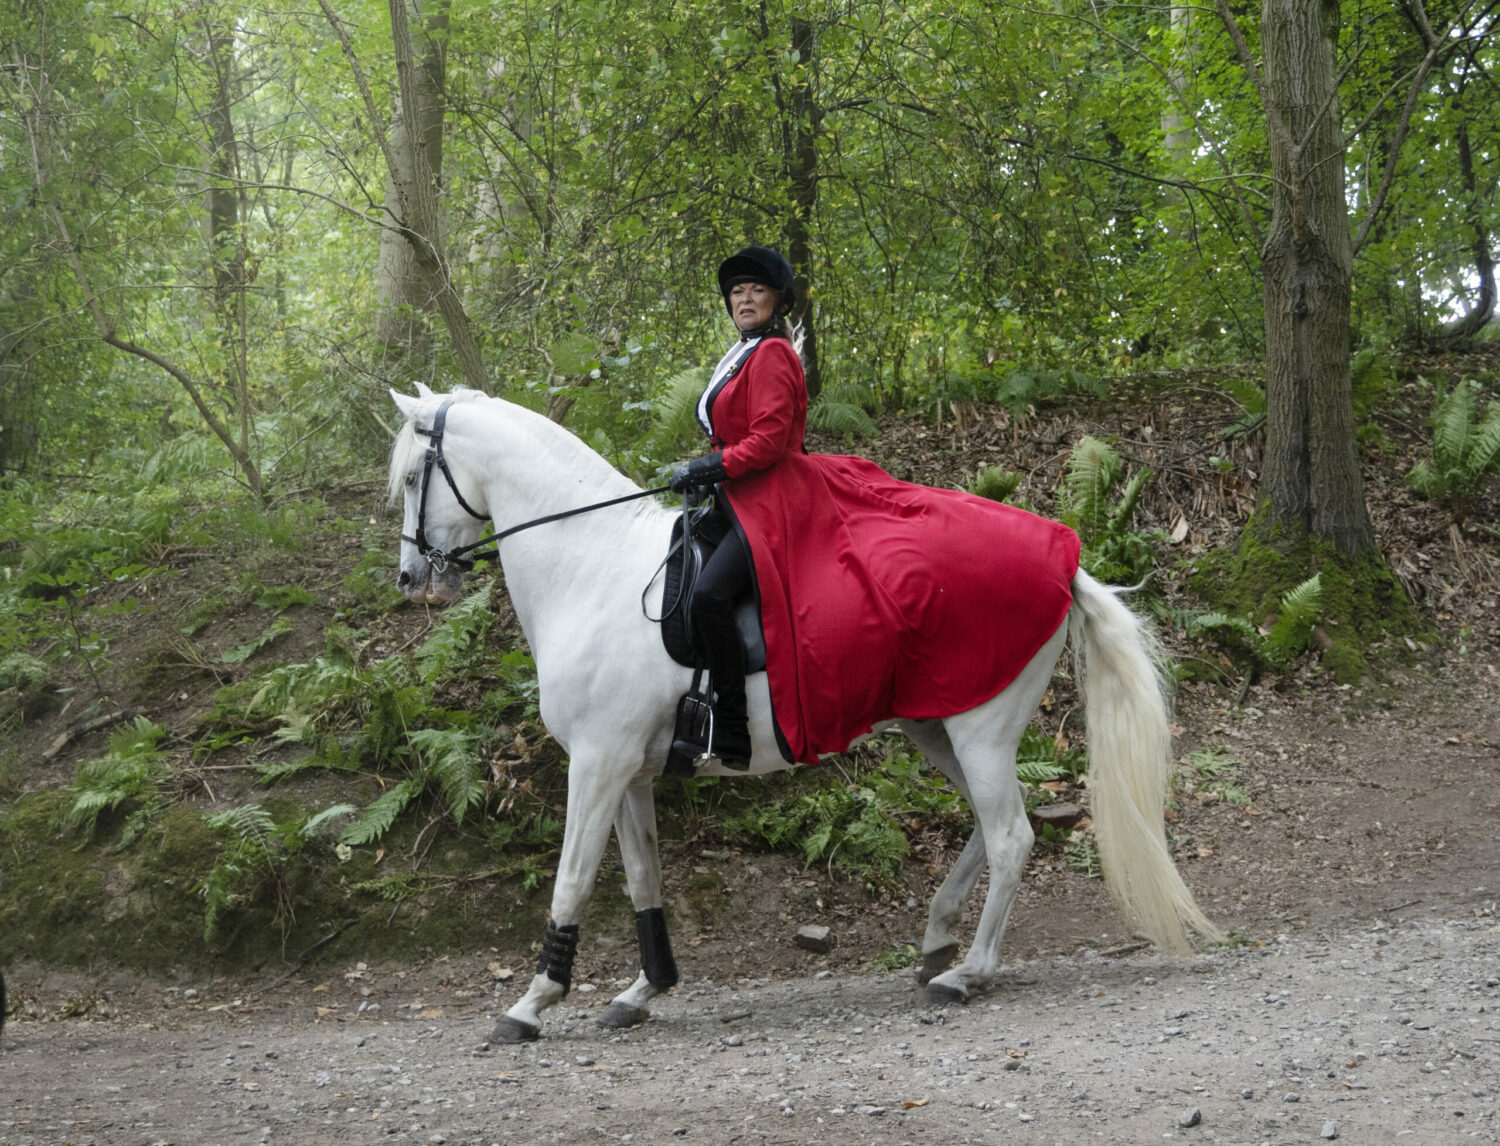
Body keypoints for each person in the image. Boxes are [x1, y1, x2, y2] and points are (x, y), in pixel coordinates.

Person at [670, 245, 1082, 771]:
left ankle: (729, 728)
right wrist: (712, 471)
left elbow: (769, 442)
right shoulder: (741, 353)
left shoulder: (771, 353)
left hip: (775, 497)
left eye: (756, 290)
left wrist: (710, 467)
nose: (745, 299)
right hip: (741, 493)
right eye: (736, 292)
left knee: (709, 595)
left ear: (777, 300)